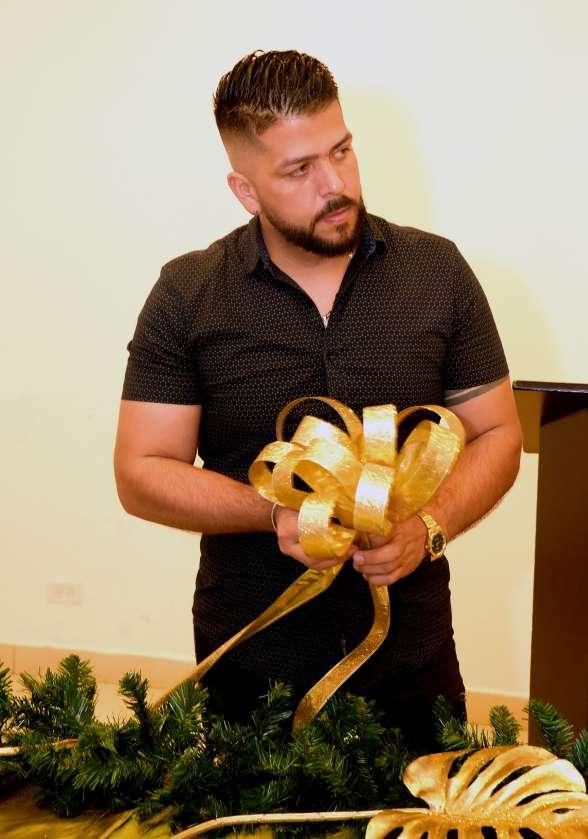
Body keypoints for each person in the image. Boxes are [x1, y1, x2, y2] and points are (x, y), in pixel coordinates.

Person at [114, 50, 522, 751]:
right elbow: (141, 470)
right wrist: (275, 513)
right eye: (299, 170)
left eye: (341, 151)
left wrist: (428, 527)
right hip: (251, 661)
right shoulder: (187, 293)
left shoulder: (439, 272)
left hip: (413, 656)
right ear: (245, 191)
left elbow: (498, 434)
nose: (335, 185)